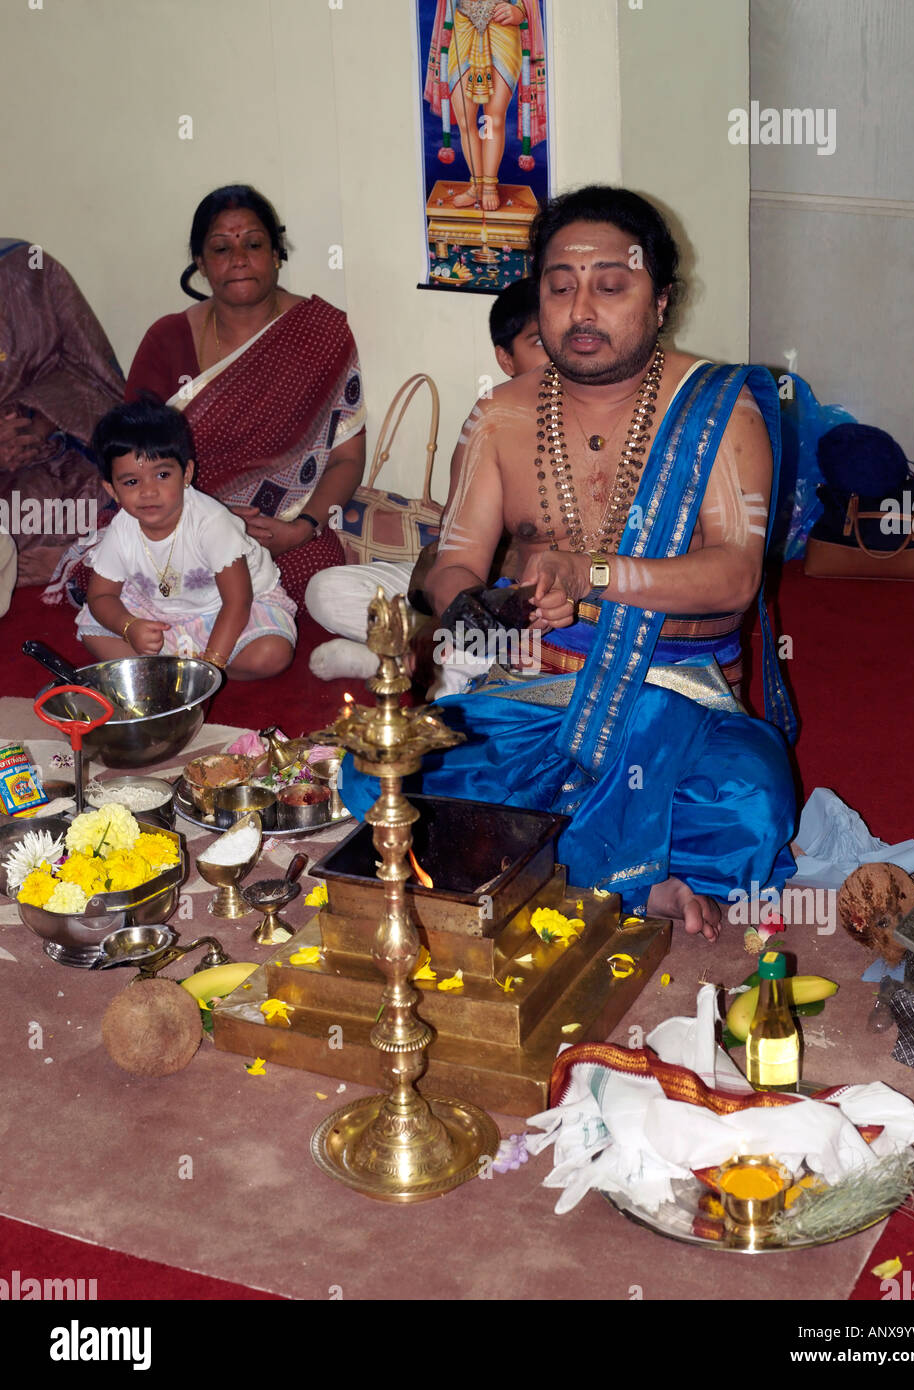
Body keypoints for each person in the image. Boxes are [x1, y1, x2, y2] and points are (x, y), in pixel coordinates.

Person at [340, 186, 798, 940]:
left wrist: (587, 573)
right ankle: (625, 869)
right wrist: (486, 608)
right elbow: (448, 565)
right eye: (559, 288)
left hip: (677, 696)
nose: (581, 309)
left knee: (749, 804)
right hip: (532, 690)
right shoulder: (501, 417)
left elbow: (735, 578)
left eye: (610, 287)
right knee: (380, 772)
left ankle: (534, 857)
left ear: (660, 301)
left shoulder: (721, 409)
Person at [45, 186, 365, 612]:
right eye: (220, 248)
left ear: (275, 254)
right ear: (200, 263)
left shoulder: (320, 333)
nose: (238, 259)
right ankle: (221, 622)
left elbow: (347, 458)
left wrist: (303, 528)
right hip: (177, 522)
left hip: (278, 533)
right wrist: (209, 513)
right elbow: (129, 453)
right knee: (101, 573)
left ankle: (187, 622)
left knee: (320, 564)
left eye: (253, 244)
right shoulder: (167, 338)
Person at [305, 276, 548, 688]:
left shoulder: (603, 423)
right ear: (506, 360)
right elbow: (457, 550)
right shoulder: (491, 421)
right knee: (325, 590)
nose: (558, 354)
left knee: (530, 644)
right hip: (467, 581)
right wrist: (452, 590)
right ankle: (420, 655)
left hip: (536, 598)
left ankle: (403, 662)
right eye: (540, 341)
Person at [75, 398, 295, 680]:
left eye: (163, 475)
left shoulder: (211, 522)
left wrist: (210, 668)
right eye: (131, 482)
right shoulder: (123, 528)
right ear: (113, 489)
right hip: (157, 610)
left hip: (228, 611)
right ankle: (171, 664)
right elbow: (101, 595)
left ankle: (176, 668)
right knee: (93, 630)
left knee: (271, 654)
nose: (148, 492)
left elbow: (237, 602)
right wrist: (129, 627)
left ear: (187, 474)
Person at [1, 239, 123, 587]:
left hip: (64, 446)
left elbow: (91, 367)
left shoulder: (27, 269)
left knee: (130, 495)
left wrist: (38, 424)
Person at [424, 1, 547, 211]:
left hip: (502, 29)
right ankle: (476, 186)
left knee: (493, 119)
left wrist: (520, 11)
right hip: (463, 27)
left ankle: (489, 185)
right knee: (465, 121)